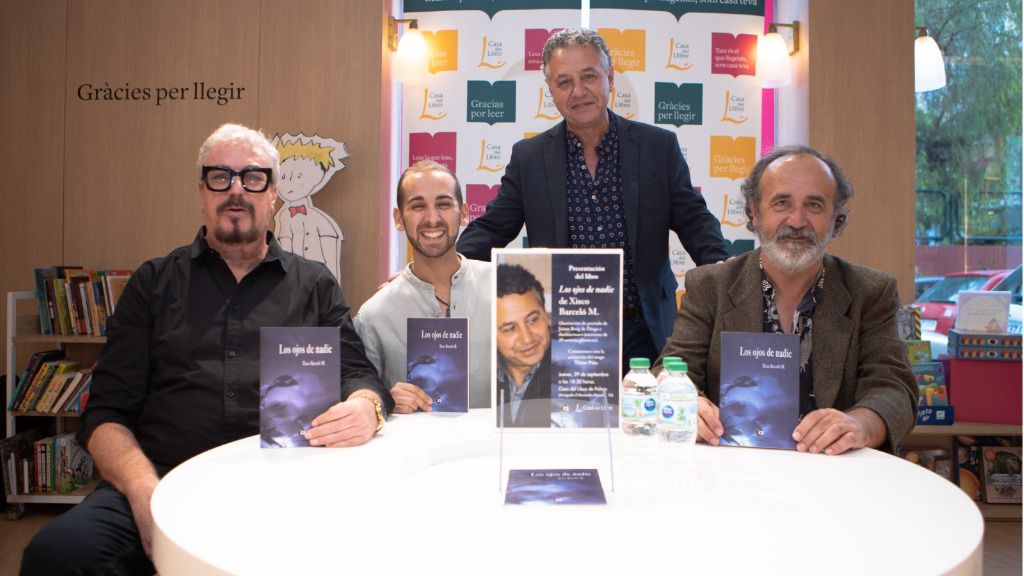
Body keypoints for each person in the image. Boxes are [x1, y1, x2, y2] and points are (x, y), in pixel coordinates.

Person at [20, 123, 393, 576]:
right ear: (202, 191)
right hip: (161, 477)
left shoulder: (313, 284)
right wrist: (144, 493)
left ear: (273, 194)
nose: (236, 190)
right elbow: (106, 413)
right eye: (220, 177)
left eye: (252, 178)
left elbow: (358, 374)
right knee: (57, 554)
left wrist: (366, 406)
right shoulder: (153, 283)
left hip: (284, 481)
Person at [457, 28, 729, 365]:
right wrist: (442, 270)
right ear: (551, 91)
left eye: (589, 76)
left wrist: (722, 267)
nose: (578, 91)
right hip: (566, 334)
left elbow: (693, 219)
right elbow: (492, 228)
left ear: (609, 78)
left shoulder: (658, 147)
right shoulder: (529, 158)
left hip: (646, 331)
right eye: (564, 82)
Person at [657, 145, 918, 455]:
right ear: (755, 211)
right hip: (732, 470)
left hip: (833, 472)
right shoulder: (710, 287)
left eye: (814, 205)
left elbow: (894, 389)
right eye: (782, 203)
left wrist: (860, 424)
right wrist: (684, 402)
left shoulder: (871, 292)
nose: (797, 221)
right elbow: (669, 371)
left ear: (836, 219)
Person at [355, 160, 492, 413]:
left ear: (464, 213)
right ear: (399, 218)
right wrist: (385, 401)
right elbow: (363, 397)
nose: (432, 219)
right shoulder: (374, 316)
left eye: (443, 204)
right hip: (413, 440)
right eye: (418, 206)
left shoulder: (505, 289)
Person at [495, 263, 553, 427]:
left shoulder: (574, 372)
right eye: (510, 329)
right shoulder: (483, 375)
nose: (527, 338)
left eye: (533, 320)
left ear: (546, 316)